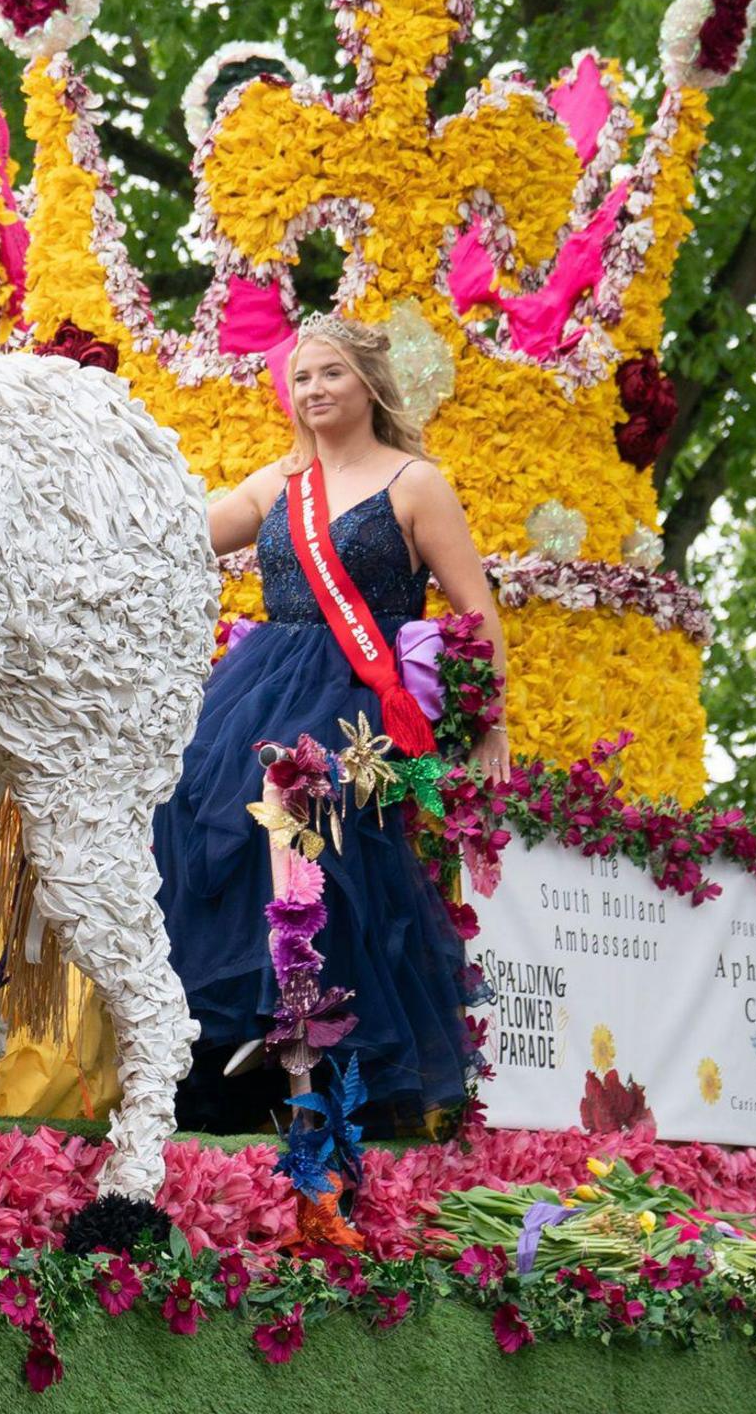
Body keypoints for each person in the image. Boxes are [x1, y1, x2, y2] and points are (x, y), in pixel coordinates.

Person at [160, 315, 508, 1138]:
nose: (313, 390)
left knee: (317, 830)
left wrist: (490, 724)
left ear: (370, 385)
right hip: (263, 687)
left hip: (367, 698)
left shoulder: (416, 482)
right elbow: (173, 535)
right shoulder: (278, 483)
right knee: (195, 809)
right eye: (303, 377)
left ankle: (330, 1065)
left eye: (331, 375)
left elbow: (475, 607)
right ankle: (226, 1058)